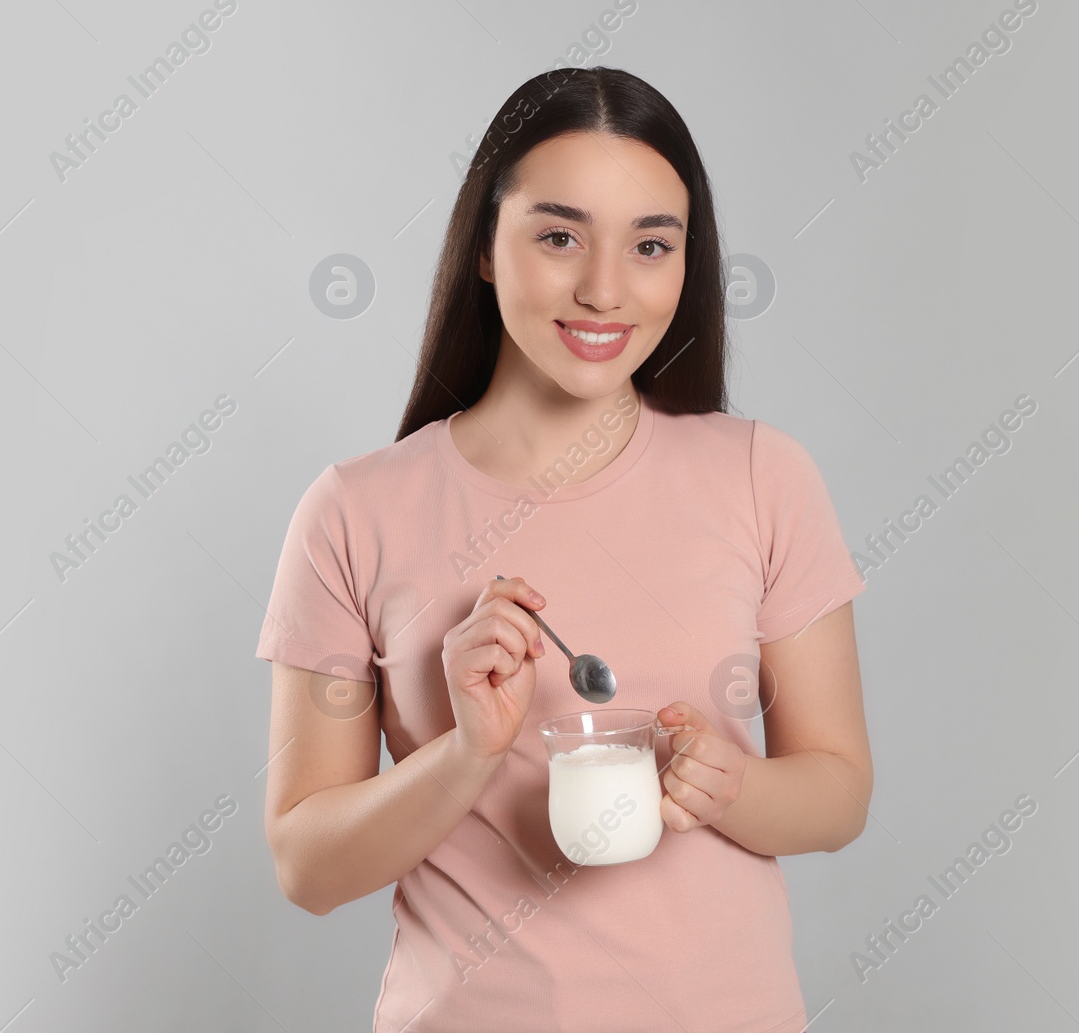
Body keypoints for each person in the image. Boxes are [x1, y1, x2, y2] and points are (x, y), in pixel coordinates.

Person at [256, 65, 872, 1033]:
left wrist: (730, 784)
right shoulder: (352, 511)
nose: (602, 289)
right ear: (486, 250)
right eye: (557, 236)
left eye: (650, 245)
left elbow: (837, 791)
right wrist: (465, 753)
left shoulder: (763, 476)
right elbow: (306, 865)